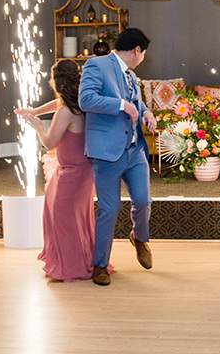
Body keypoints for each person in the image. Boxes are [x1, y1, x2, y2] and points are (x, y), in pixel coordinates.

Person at [78, 27, 157, 286]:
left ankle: (139, 238)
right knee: (109, 209)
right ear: (137, 50)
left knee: (144, 201)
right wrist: (121, 105)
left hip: (134, 152)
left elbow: (136, 101)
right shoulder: (96, 65)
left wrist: (146, 112)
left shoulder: (131, 75)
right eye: (143, 53)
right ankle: (100, 265)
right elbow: (86, 100)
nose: (143, 58)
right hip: (107, 153)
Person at [19, 60, 109, 282]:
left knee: (63, 218)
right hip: (83, 169)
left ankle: (71, 266)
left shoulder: (66, 112)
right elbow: (56, 103)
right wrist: (36, 110)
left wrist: (38, 127)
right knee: (77, 217)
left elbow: (50, 143)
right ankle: (81, 260)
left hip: (72, 172)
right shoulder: (82, 100)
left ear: (54, 80)